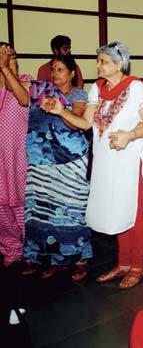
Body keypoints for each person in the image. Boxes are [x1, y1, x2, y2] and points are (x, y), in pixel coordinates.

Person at [43, 42, 143, 289]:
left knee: (133, 213)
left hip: (129, 160)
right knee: (116, 210)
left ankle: (137, 265)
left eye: (103, 61)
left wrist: (129, 135)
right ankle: (123, 263)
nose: (98, 66)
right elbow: (85, 124)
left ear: (119, 64)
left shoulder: (136, 87)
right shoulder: (96, 88)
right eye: (98, 61)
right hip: (106, 161)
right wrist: (62, 111)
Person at [2, 51, 91, 281]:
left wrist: (60, 109)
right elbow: (22, 97)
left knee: (70, 213)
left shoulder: (79, 93)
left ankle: (79, 259)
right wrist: (5, 68)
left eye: (60, 69)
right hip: (41, 163)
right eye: (52, 69)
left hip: (69, 163)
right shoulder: (42, 89)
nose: (54, 73)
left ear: (72, 73)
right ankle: (51, 259)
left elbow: (77, 123)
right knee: (44, 214)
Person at [0, 43, 30, 267]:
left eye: (11, 60)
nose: (8, 63)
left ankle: (31, 251)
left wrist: (6, 69)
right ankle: (11, 249)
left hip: (18, 158)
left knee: (23, 206)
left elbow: (24, 99)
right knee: (1, 210)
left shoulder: (27, 82)